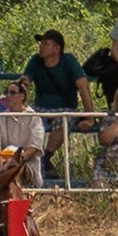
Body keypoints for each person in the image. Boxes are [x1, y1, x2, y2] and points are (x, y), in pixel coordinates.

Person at [21, 29, 90, 180]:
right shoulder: (35, 60)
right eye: (41, 43)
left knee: (65, 120)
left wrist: (90, 116)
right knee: (28, 119)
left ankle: (45, 158)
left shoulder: (68, 61)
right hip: (41, 107)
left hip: (65, 107)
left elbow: (83, 86)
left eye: (46, 43)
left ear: (57, 48)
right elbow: (25, 81)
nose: (41, 46)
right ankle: (26, 160)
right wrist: (23, 96)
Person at [0, 79, 46, 178]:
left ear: (22, 96)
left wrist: (16, 160)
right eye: (7, 92)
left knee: (13, 171)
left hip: (27, 164)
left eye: (12, 93)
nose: (8, 96)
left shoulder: (34, 118)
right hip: (2, 164)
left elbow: (35, 147)